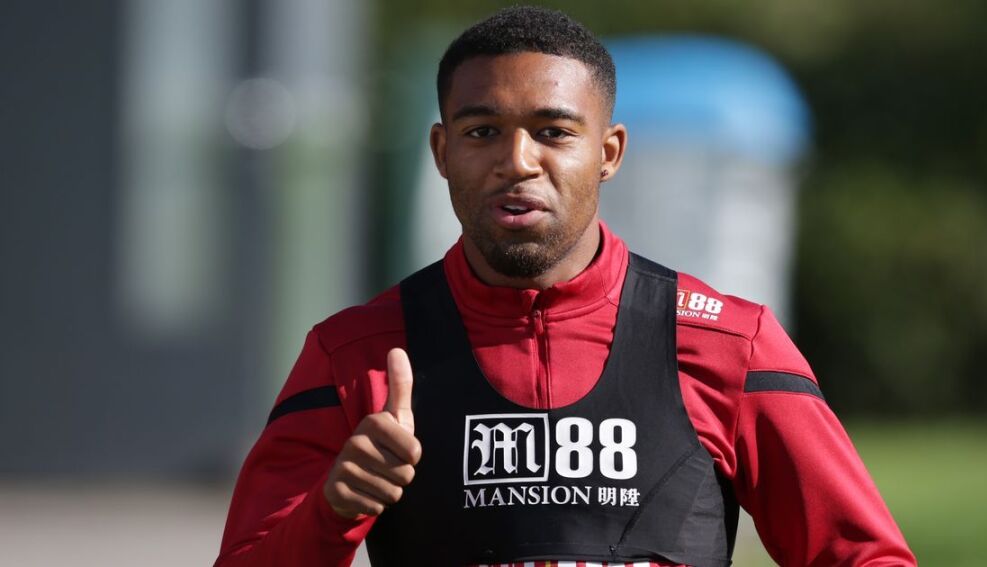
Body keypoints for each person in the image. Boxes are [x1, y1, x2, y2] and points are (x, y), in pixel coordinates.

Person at [216, 6, 916, 566]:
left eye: (553, 132)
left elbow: (865, 555)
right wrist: (331, 512)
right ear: (442, 151)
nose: (518, 161)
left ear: (608, 153)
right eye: (482, 131)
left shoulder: (730, 343)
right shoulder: (354, 354)